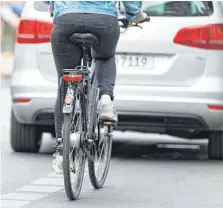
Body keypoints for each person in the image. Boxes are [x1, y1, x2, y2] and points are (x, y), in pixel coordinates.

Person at [44, 1, 147, 174]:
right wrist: (135, 15)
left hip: (65, 19)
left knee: (65, 81)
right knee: (105, 57)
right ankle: (106, 100)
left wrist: (53, 5)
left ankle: (62, 151)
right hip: (103, 20)